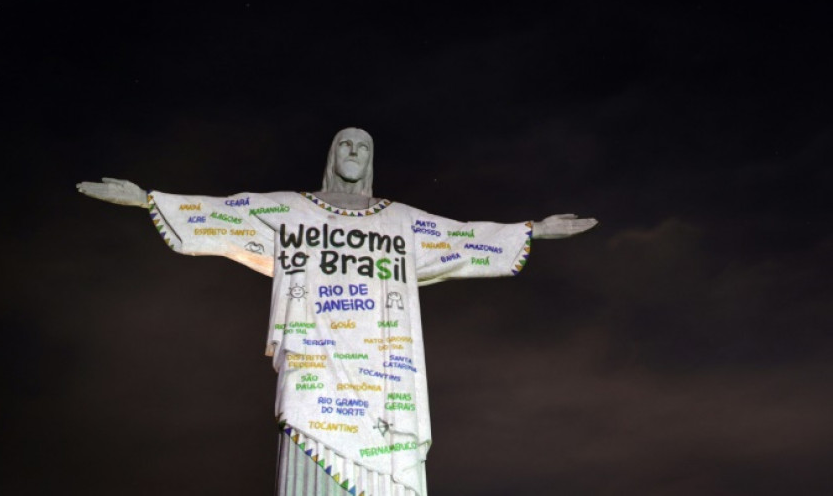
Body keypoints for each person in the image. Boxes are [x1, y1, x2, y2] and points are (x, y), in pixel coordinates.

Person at [77, 127, 596, 496]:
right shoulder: (292, 210)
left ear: (371, 160)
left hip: (387, 379)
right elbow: (223, 212)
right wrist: (149, 199)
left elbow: (463, 237)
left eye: (363, 146)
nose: (353, 151)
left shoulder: (400, 222)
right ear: (332, 154)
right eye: (345, 143)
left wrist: (530, 231)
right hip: (314, 374)